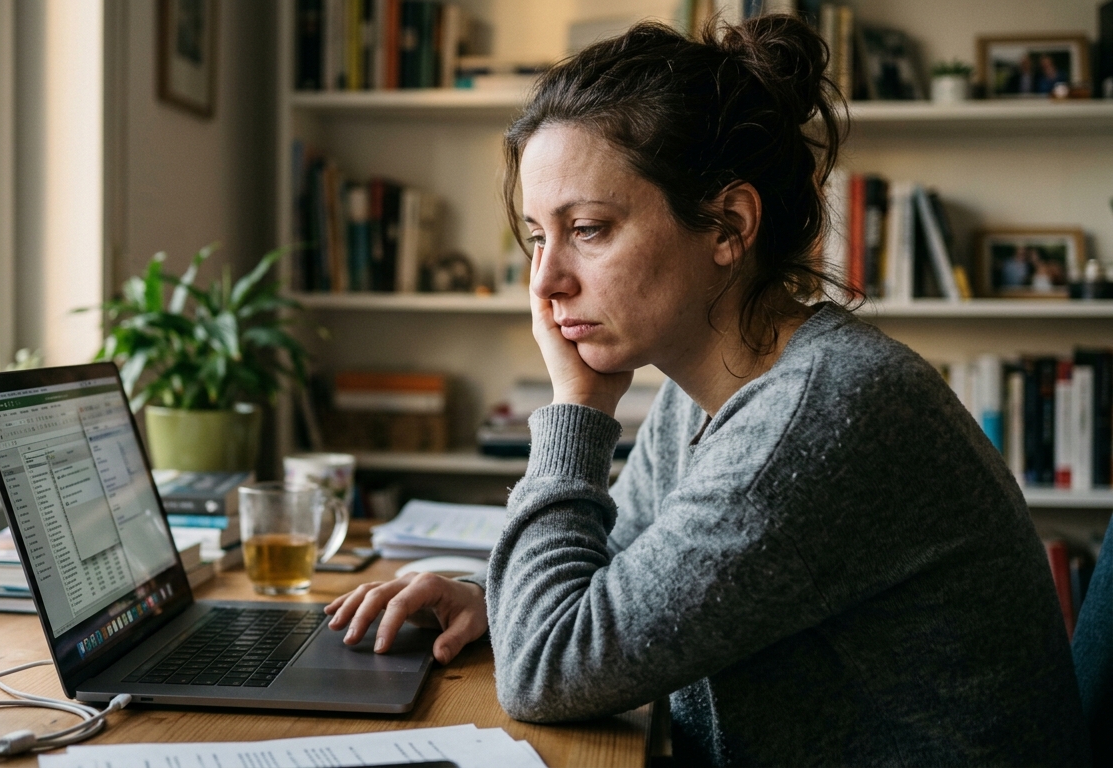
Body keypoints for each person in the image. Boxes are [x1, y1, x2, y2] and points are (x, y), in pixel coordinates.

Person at [324, 16, 1089, 765]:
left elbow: (549, 669)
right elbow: (622, 584)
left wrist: (575, 411)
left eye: (587, 228)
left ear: (728, 225)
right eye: (536, 236)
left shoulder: (820, 412)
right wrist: (490, 601)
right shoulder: (706, 390)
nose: (545, 281)